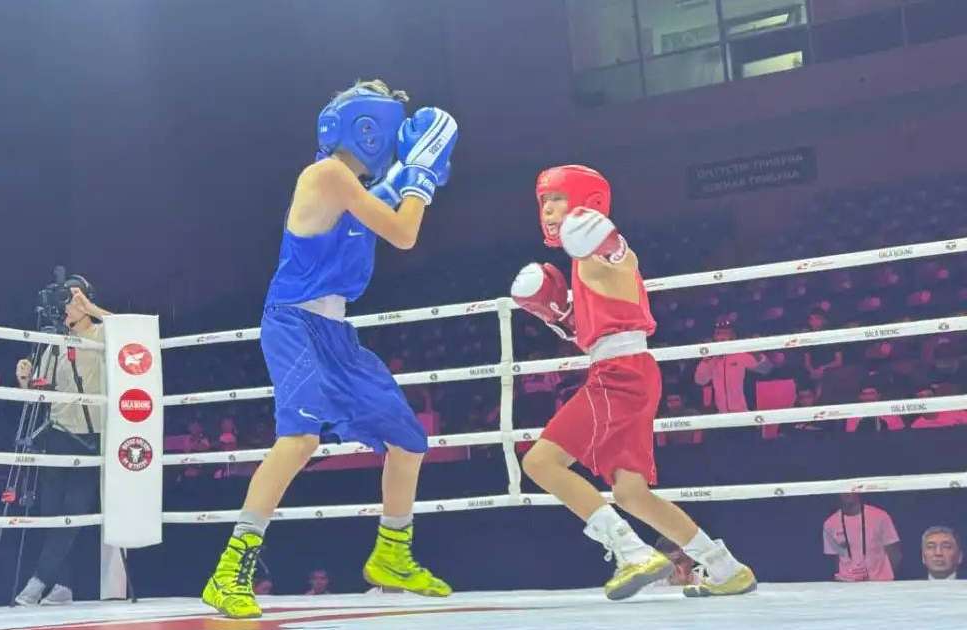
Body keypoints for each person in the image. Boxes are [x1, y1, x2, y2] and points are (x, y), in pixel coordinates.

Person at [200, 79, 459, 619]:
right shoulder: (328, 176)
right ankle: (230, 572)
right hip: (293, 323)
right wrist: (422, 176)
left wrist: (410, 180)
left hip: (335, 334)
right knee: (298, 438)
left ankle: (392, 553)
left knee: (407, 441)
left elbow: (386, 208)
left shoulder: (354, 187)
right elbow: (405, 232)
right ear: (371, 127)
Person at [511, 165, 756, 600]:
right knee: (631, 493)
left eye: (558, 200)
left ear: (586, 203)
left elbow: (623, 259)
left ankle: (632, 552)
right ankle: (725, 568)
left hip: (619, 375)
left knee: (539, 463)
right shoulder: (582, 262)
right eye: (544, 202)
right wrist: (559, 317)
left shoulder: (600, 251)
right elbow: (594, 326)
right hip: (629, 370)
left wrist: (609, 241)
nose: (548, 210)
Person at [13, 278, 113, 606]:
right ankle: (62, 587)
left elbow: (131, 335)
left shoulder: (101, 335)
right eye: (66, 303)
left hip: (89, 435)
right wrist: (25, 381)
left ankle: (38, 581)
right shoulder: (56, 342)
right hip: (56, 433)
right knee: (52, 513)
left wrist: (91, 309)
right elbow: (42, 392)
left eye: (73, 301)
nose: (68, 308)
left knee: (73, 512)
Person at [821, 493, 901, 582]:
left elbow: (894, 553)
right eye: (843, 489)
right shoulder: (830, 523)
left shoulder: (880, 516)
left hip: (879, 584)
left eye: (850, 489)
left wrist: (884, 580)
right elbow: (835, 559)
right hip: (847, 585)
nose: (847, 493)